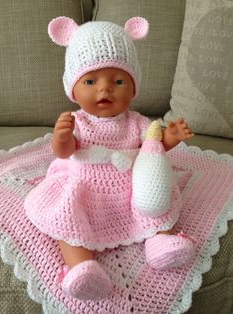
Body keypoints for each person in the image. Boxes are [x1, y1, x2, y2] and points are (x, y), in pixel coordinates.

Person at [24, 16, 195, 301]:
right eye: (91, 81)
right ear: (73, 88)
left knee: (156, 201)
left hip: (130, 186)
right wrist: (63, 138)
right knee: (69, 219)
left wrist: (171, 137)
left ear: (133, 87)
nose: (105, 89)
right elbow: (64, 153)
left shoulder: (138, 122)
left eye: (118, 81)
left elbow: (154, 145)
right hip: (86, 186)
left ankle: (161, 242)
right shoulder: (78, 121)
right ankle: (80, 267)